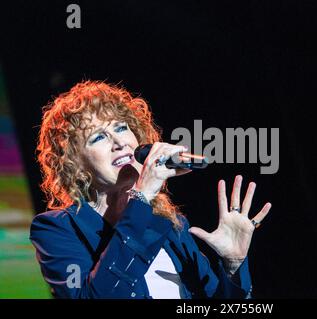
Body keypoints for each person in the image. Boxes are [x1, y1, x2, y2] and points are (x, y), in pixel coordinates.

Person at [29, 80, 272, 299]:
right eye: (99, 137)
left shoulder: (171, 225)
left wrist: (233, 266)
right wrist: (141, 197)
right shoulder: (57, 229)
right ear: (75, 164)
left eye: (122, 128)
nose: (120, 142)